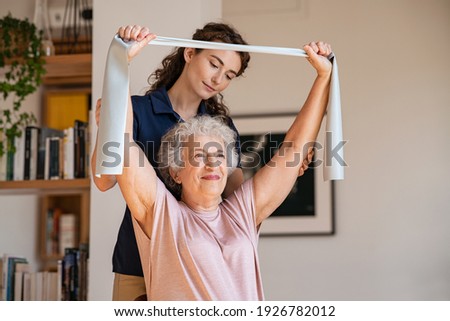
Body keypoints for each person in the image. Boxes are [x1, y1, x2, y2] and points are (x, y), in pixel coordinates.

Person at [97, 21, 332, 299]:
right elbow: (117, 158)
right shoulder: (164, 215)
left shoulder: (239, 211)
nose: (213, 164)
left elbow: (285, 156)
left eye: (220, 155)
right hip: (141, 258)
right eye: (214, 64)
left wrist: (324, 76)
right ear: (175, 171)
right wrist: (119, 71)